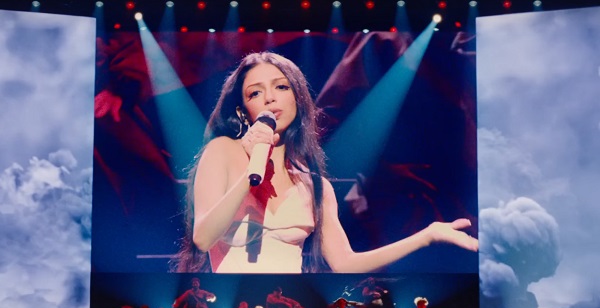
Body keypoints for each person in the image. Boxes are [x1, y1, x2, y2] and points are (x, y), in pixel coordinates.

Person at [172, 51, 478, 273]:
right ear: (242, 111)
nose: (270, 98)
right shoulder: (222, 151)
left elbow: (345, 263)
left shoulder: (314, 186)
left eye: (281, 87)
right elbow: (203, 237)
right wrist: (252, 171)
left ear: (297, 99)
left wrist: (426, 237)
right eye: (255, 93)